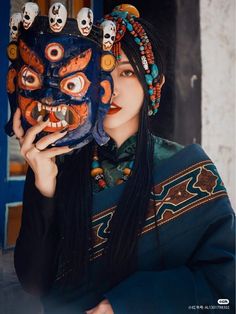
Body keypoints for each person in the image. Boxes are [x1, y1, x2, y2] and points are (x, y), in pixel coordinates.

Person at [12, 4, 235, 314]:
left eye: (127, 72)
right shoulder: (55, 162)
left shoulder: (188, 169)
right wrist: (45, 186)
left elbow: (225, 286)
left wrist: (126, 304)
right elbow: (34, 283)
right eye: (101, 72)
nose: (111, 88)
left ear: (153, 86)